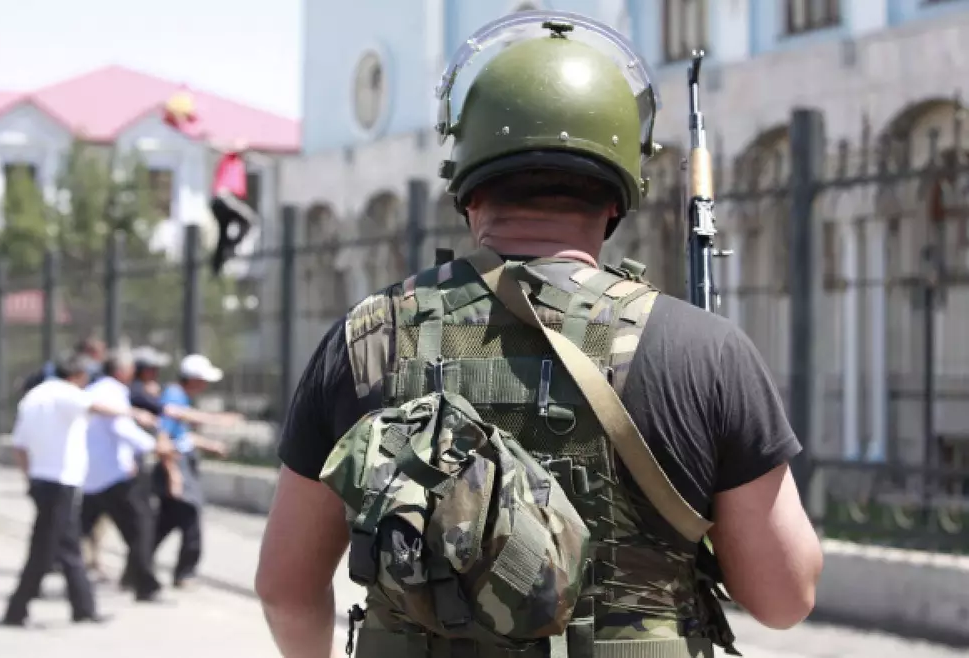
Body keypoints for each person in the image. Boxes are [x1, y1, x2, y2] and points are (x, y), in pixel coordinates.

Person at [255, 13, 823, 658]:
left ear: (469, 194)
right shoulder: (704, 350)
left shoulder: (367, 339)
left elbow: (284, 588)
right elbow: (784, 598)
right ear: (616, 200)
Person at [3, 351, 148, 627]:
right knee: (44, 549)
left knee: (69, 548)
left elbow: (19, 446)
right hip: (60, 482)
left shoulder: (33, 397)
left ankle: (83, 608)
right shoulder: (65, 392)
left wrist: (29, 478)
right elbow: (97, 406)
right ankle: (16, 609)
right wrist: (135, 413)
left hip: (42, 480)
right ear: (77, 376)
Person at [80, 349, 171, 603]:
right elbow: (121, 428)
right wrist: (153, 445)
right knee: (142, 528)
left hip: (90, 475)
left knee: (74, 530)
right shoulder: (112, 392)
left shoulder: (95, 390)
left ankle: (41, 577)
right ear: (121, 370)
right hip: (112, 477)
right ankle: (145, 585)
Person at [151, 354, 232, 589]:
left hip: (179, 465)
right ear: (193, 379)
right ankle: (184, 573)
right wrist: (173, 475)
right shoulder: (174, 397)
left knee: (165, 522)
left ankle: (138, 567)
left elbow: (182, 437)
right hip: (176, 466)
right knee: (189, 518)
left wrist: (210, 445)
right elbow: (164, 438)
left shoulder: (179, 397)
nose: (205, 385)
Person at [209, 140, 260, 277]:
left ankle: (216, 266)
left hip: (220, 201)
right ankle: (230, 250)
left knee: (223, 234)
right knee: (249, 221)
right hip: (225, 198)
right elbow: (228, 148)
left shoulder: (239, 162)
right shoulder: (231, 158)